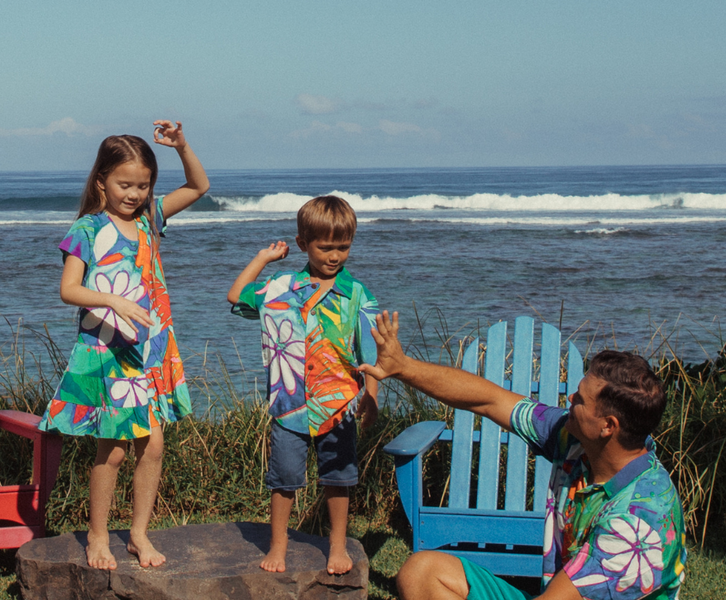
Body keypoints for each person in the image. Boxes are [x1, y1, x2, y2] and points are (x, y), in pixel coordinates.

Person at [359, 311, 686, 600]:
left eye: (581, 400)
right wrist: (403, 367)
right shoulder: (574, 439)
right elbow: (489, 400)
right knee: (422, 573)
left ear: (608, 426)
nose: (570, 398)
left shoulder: (640, 521)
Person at [37, 121, 210, 570]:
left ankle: (138, 534)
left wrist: (181, 146)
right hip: (109, 351)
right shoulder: (88, 229)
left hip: (150, 349)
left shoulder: (151, 219)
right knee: (112, 449)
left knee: (153, 446)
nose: (134, 194)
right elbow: (69, 289)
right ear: (102, 181)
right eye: (124, 184)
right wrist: (112, 299)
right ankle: (97, 537)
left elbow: (199, 186)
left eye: (143, 185)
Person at [226, 195, 381, 574]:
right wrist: (262, 259)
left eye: (343, 247)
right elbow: (235, 296)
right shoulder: (281, 287)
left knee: (338, 478)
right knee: (284, 479)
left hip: (338, 403)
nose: (335, 256)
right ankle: (278, 545)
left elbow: (371, 352)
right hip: (289, 404)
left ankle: (338, 546)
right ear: (302, 244)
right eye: (325, 247)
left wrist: (372, 396)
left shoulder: (357, 294)